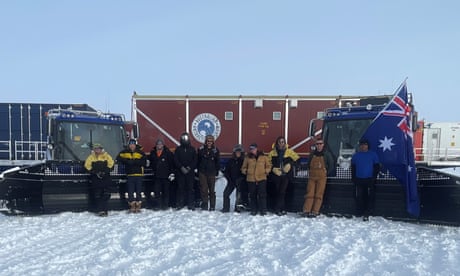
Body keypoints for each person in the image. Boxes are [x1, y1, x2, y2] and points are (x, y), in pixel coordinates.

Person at [302, 138, 334, 218]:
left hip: (322, 177)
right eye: (317, 144)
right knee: (310, 193)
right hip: (312, 177)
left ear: (323, 145)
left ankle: (315, 211)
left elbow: (331, 165)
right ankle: (306, 210)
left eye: (320, 144)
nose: (319, 145)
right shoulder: (312, 154)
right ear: (316, 145)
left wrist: (326, 172)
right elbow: (308, 164)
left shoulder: (327, 154)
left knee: (319, 194)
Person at [268, 136, 300, 216]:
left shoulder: (290, 152)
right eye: (279, 142)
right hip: (276, 175)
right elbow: (268, 163)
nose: (281, 143)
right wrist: (273, 169)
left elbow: (298, 160)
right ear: (277, 143)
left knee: (282, 192)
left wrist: (290, 164)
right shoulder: (272, 153)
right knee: (277, 191)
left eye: (283, 142)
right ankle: (281, 208)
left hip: (286, 175)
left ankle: (278, 209)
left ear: (285, 143)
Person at [351, 138, 381, 221]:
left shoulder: (373, 155)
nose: (363, 146)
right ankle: (360, 211)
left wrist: (373, 177)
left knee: (369, 197)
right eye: (362, 145)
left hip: (369, 180)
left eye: (365, 144)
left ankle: (367, 212)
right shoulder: (355, 156)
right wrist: (353, 178)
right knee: (359, 196)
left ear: (368, 146)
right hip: (359, 180)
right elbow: (353, 168)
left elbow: (377, 167)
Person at [116, 139, 147, 213]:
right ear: (129, 145)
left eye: (133, 144)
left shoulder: (140, 152)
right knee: (130, 191)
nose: (132, 146)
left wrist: (135, 162)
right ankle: (132, 205)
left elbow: (144, 162)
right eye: (130, 144)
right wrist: (127, 161)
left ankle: (138, 205)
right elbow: (118, 158)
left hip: (139, 174)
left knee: (138, 191)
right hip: (130, 175)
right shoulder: (124, 152)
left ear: (135, 145)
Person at [241, 143, 272, 216]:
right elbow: (243, 167)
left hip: (261, 178)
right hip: (251, 179)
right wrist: (246, 171)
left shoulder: (263, 157)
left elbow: (269, 165)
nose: (252, 150)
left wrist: (266, 171)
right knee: (252, 195)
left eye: (253, 148)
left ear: (256, 149)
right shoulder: (247, 157)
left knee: (262, 195)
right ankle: (253, 210)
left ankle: (263, 210)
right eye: (251, 149)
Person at [84, 143, 114, 217]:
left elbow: (111, 164)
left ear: (101, 149)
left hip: (106, 178)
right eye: (96, 149)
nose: (97, 150)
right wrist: (94, 172)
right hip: (96, 179)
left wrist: (105, 171)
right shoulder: (91, 157)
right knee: (98, 195)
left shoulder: (106, 156)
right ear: (94, 150)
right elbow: (87, 165)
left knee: (106, 194)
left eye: (98, 148)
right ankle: (100, 210)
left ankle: (105, 209)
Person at [149, 138, 175, 210]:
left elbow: (171, 164)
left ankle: (165, 205)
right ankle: (158, 205)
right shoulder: (153, 153)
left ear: (163, 145)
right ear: (156, 145)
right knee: (157, 192)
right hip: (157, 176)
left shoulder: (168, 153)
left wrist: (172, 173)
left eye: (160, 144)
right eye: (158, 144)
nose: (159, 145)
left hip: (166, 176)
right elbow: (150, 163)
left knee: (166, 192)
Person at [174, 132, 197, 210]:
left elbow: (195, 160)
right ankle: (180, 204)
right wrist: (181, 167)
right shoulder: (178, 149)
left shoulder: (192, 149)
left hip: (190, 172)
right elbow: (175, 160)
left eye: (186, 138)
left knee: (190, 188)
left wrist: (190, 167)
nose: (185, 140)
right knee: (180, 188)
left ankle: (191, 204)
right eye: (183, 138)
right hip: (180, 172)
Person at [197, 135, 220, 211]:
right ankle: (205, 204)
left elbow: (218, 162)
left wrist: (217, 171)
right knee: (204, 189)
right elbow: (198, 161)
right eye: (208, 141)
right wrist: (198, 170)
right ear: (205, 141)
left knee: (212, 190)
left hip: (212, 172)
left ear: (213, 142)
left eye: (211, 141)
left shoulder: (216, 150)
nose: (209, 143)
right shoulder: (201, 149)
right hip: (202, 172)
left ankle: (212, 206)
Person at [222, 144, 247, 213]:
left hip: (240, 181)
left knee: (239, 196)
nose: (238, 153)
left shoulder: (244, 161)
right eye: (237, 152)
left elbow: (245, 171)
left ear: (242, 153)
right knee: (226, 194)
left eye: (239, 152)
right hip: (231, 181)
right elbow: (226, 172)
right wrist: (229, 179)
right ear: (234, 152)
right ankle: (226, 208)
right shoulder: (231, 161)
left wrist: (241, 178)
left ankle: (238, 208)